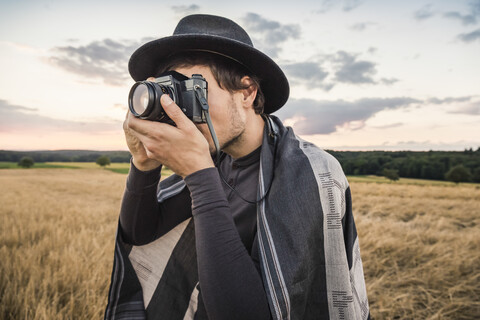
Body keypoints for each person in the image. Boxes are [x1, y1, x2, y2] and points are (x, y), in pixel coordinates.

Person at [105, 14, 370, 320]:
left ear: (247, 92)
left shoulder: (310, 171)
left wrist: (199, 175)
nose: (183, 116)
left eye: (195, 94)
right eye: (174, 99)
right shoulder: (216, 159)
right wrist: (143, 164)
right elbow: (140, 233)